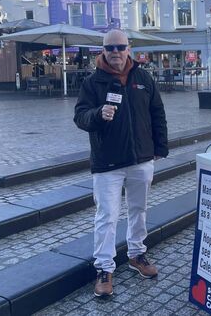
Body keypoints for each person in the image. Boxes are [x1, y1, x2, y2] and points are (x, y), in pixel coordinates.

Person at [74, 29, 168, 297]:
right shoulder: (92, 83)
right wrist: (97, 114)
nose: (115, 52)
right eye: (110, 48)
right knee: (107, 216)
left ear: (129, 48)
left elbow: (157, 112)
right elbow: (80, 116)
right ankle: (104, 268)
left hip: (141, 158)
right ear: (103, 51)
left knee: (139, 209)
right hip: (107, 162)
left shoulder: (143, 77)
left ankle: (137, 254)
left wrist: (160, 147)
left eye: (120, 47)